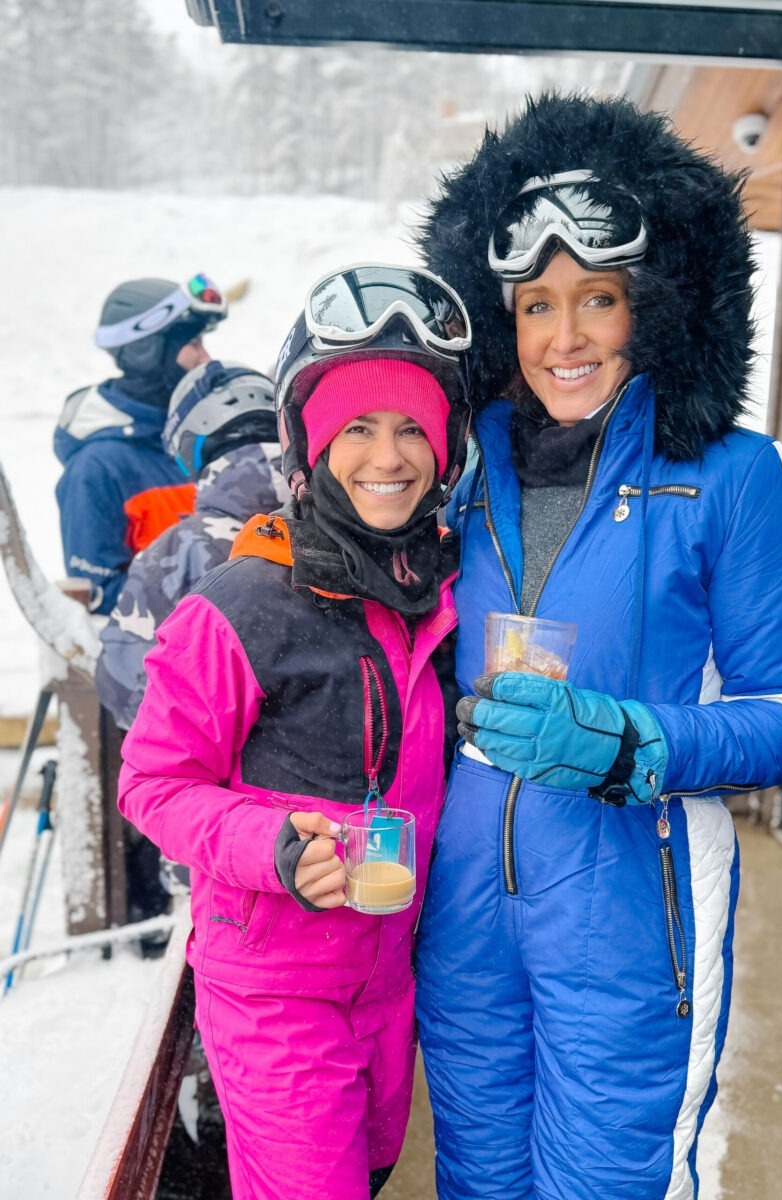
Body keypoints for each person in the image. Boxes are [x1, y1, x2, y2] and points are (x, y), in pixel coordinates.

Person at [412, 93, 782, 1200]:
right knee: (478, 1177)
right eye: (536, 305)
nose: (564, 339)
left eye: (597, 300)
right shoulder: (463, 475)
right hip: (464, 915)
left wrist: (625, 743)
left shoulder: (735, 474)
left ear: (654, 305)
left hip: (628, 907)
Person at [118, 263, 472, 1200]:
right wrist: (270, 846)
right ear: (307, 446)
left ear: (447, 447)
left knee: (374, 1169)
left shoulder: (431, 597)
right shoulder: (239, 606)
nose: (387, 455)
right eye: (356, 426)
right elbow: (151, 782)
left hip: (388, 976)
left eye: (411, 428)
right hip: (274, 991)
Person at [96, 359, 291, 731]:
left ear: (192, 447)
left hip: (210, 773)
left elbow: (121, 683)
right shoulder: (342, 520)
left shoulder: (177, 550)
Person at [54, 273, 227, 614]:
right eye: (193, 343)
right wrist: (212, 612)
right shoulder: (98, 467)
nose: (205, 357)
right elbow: (103, 598)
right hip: (176, 657)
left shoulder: (202, 435)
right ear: (148, 351)